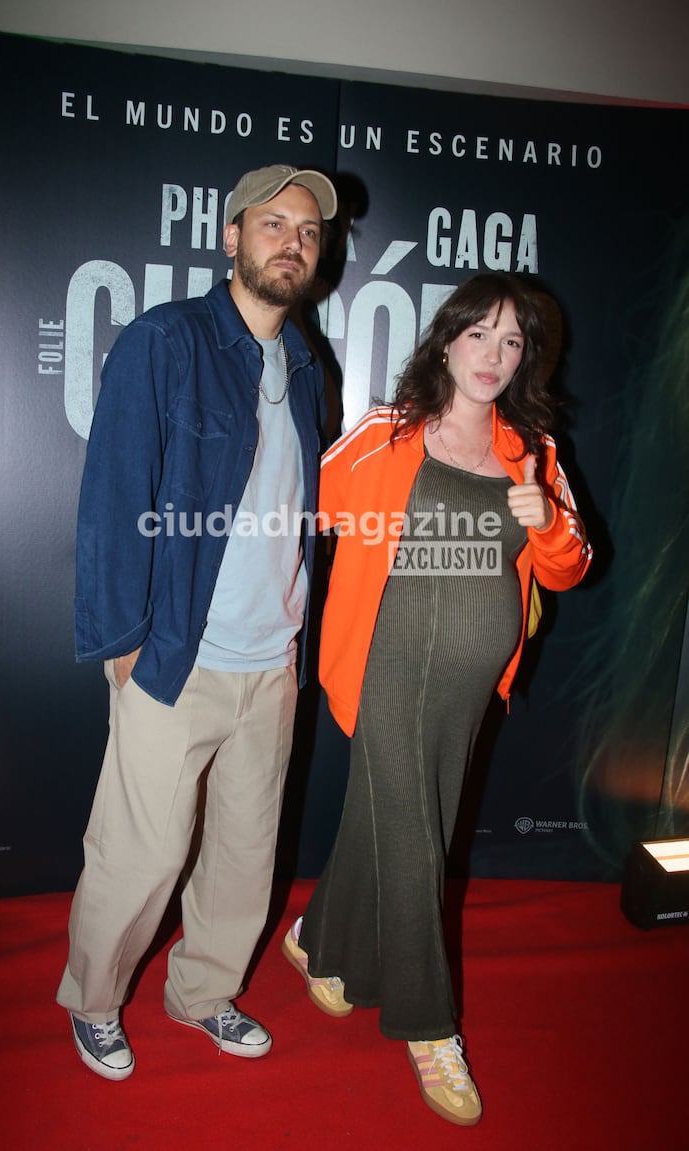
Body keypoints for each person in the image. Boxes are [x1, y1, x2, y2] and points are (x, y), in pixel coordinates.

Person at [282, 272, 592, 1126]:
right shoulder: (390, 432)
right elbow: (305, 500)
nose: (493, 356)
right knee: (416, 834)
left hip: (466, 682)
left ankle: (316, 939)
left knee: (402, 815)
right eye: (479, 335)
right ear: (446, 338)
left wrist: (545, 523)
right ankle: (428, 1027)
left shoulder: (532, 452)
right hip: (385, 662)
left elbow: (571, 565)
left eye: (513, 342)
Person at [57, 164, 338, 1080]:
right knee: (138, 857)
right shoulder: (165, 340)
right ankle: (96, 1002)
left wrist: (299, 639)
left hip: (271, 666)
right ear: (229, 236)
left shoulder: (304, 364)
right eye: (273, 223)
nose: (291, 240)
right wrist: (122, 645)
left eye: (307, 230)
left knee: (245, 857)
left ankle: (202, 993)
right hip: (175, 656)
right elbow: (111, 498)